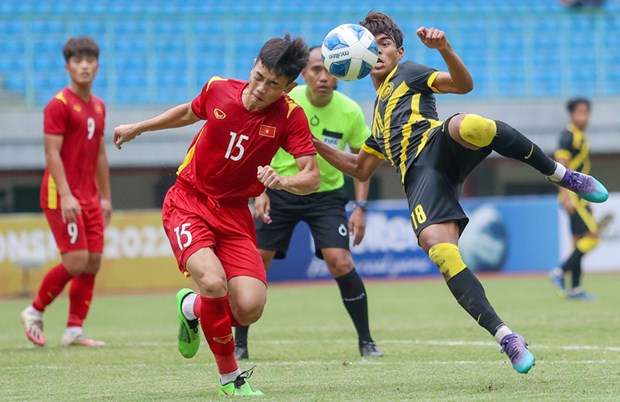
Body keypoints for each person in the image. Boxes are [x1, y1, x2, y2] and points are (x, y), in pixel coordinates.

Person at [311, 11, 609, 375]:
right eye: (371, 47)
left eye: (384, 45)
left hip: (439, 144)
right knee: (441, 251)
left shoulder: (409, 73)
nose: (377, 52)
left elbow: (463, 85)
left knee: (473, 124)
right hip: (421, 179)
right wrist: (310, 142)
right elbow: (358, 168)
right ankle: (506, 336)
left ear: (399, 53)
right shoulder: (377, 121)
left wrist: (445, 48)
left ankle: (561, 175)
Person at [113, 35, 320, 396]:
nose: (260, 89)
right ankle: (230, 378)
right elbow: (188, 112)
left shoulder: (290, 116)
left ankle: (190, 307)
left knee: (249, 308)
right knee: (212, 281)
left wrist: (283, 181)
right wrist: (139, 127)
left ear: (289, 87)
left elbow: (311, 175)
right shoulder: (219, 88)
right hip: (188, 201)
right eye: (258, 76)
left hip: (235, 215)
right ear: (253, 65)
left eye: (273, 85)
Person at [233, 46, 382, 361]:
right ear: (303, 74)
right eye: (316, 69)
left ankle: (366, 341)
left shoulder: (350, 111)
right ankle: (240, 343)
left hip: (326, 196)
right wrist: (258, 191)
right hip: (278, 191)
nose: (323, 76)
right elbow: (257, 145)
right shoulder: (285, 101)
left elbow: (363, 163)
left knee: (340, 261)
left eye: (329, 71)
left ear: (340, 76)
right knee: (257, 260)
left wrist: (360, 207)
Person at [19, 37, 111, 348]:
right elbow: (51, 154)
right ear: (67, 66)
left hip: (89, 195)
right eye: (77, 60)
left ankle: (74, 330)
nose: (84, 65)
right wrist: (68, 194)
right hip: (62, 195)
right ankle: (33, 311)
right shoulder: (58, 105)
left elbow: (100, 154)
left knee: (94, 260)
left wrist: (106, 197)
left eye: (89, 60)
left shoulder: (98, 106)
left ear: (97, 65)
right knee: (76, 260)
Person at [549, 98, 600, 300]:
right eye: (580, 112)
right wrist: (566, 196)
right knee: (593, 237)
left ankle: (575, 289)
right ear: (571, 114)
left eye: (586, 112)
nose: (584, 117)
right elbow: (561, 167)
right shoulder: (568, 136)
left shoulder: (580, 136)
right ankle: (559, 272)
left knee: (578, 241)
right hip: (574, 196)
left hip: (582, 198)